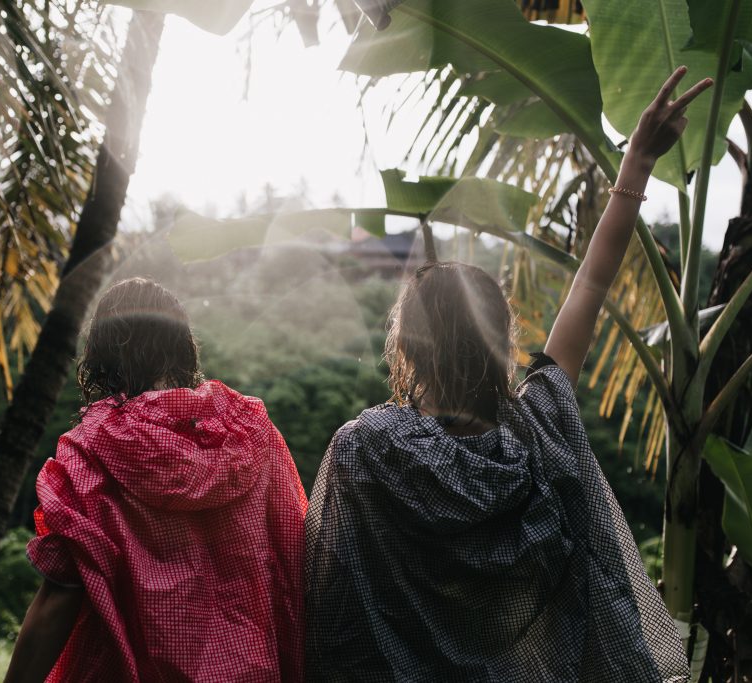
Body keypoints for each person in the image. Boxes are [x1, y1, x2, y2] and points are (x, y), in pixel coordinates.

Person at [304, 67, 712, 682]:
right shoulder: (540, 427)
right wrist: (634, 168)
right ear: (504, 341)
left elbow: (330, 609)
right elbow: (591, 286)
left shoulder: (366, 450)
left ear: (407, 349)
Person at [4, 278, 307, 683]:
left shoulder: (92, 450)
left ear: (101, 352)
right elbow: (296, 560)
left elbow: (61, 593)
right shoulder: (250, 431)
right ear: (184, 346)